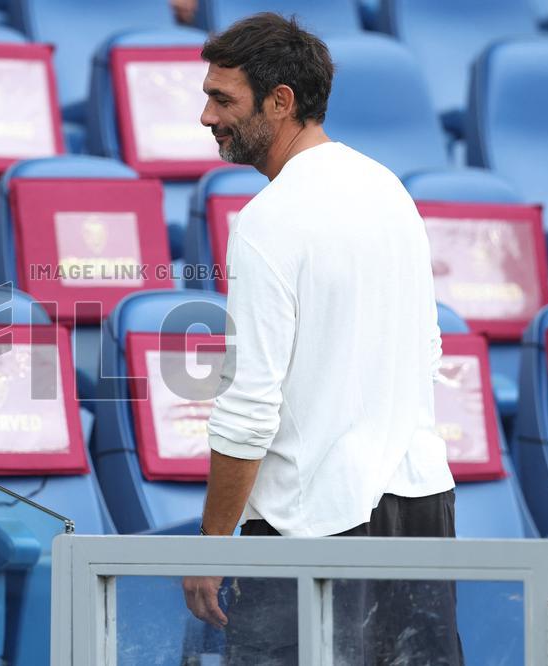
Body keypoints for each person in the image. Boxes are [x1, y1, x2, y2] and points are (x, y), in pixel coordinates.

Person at [182, 13, 462, 664]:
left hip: (310, 529)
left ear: (281, 102)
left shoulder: (267, 221)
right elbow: (429, 354)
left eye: (222, 98)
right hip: (421, 510)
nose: (206, 117)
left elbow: (249, 408)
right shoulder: (390, 192)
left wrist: (208, 546)